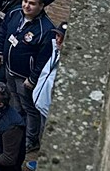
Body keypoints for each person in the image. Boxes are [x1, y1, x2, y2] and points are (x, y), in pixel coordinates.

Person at [0, 0, 55, 153]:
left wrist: (33, 78)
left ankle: (30, 140)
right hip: (9, 70)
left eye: (32, 3)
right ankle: (17, 131)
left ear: (41, 6)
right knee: (15, 102)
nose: (27, 5)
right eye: (25, 1)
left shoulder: (46, 30)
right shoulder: (14, 13)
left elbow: (44, 59)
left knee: (29, 108)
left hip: (25, 78)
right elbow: (3, 31)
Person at [30, 22, 67, 163]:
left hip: (50, 109)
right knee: (42, 135)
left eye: (63, 37)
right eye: (57, 35)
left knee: (48, 139)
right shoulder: (54, 49)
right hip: (42, 103)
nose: (58, 40)